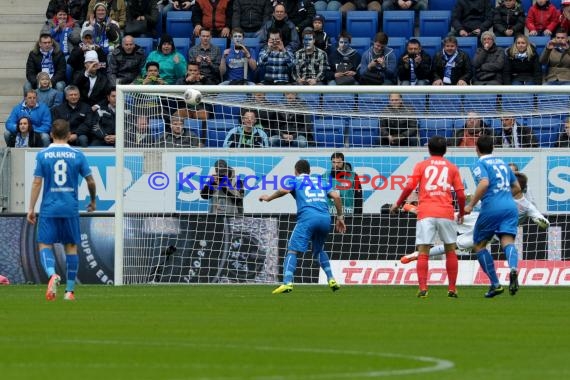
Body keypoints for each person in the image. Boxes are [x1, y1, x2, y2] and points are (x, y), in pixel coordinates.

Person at [401, 171, 550, 263]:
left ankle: (416, 255)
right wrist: (469, 199)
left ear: (518, 188)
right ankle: (415, 209)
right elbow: (480, 203)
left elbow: (541, 219)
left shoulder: (527, 206)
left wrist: (542, 222)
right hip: (481, 218)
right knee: (447, 216)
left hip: (492, 232)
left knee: (453, 246)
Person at [27, 119, 97, 301]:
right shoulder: (77, 154)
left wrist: (31, 208)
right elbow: (90, 181)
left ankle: (52, 275)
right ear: (69, 135)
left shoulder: (43, 155)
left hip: (49, 208)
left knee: (44, 244)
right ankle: (69, 292)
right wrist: (93, 201)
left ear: (51, 134)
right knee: (71, 247)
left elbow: (37, 182)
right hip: (70, 208)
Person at [389, 135, 466, 298]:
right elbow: (460, 193)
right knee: (450, 250)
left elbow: (410, 186)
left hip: (426, 212)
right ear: (445, 150)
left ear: (429, 150)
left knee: (423, 251)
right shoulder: (452, 167)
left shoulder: (422, 165)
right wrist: (462, 211)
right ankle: (452, 289)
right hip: (446, 211)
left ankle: (423, 288)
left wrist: (398, 203)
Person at [259, 159, 346, 294]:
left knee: (293, 250)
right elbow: (336, 196)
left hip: (308, 218)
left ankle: (287, 283)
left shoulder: (295, 180)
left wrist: (269, 198)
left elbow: (283, 190)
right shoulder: (321, 181)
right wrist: (340, 217)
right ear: (309, 172)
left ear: (295, 171)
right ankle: (331, 279)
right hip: (325, 219)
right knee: (318, 250)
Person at [464, 135, 522, 298]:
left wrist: (471, 204)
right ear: (493, 148)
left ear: (477, 149)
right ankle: (513, 269)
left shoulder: (480, 163)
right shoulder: (504, 164)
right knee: (507, 241)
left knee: (479, 245)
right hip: (510, 207)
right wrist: (503, 196)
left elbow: (484, 183)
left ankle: (495, 284)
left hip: (491, 208)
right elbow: (517, 187)